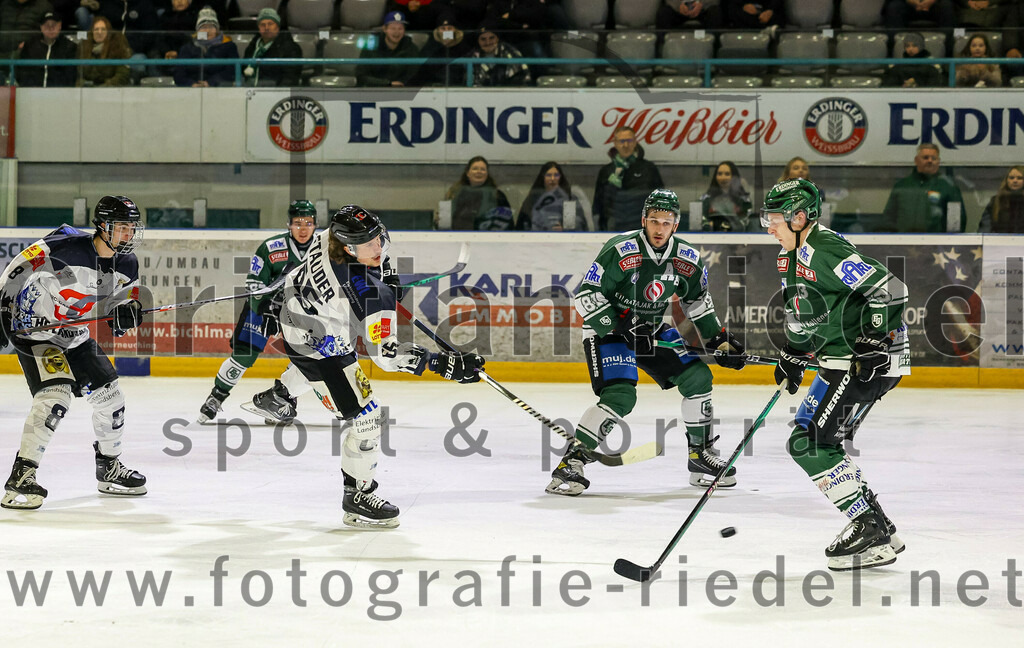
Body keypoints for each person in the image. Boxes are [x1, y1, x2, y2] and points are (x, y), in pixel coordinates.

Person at [251, 205, 484, 528]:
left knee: (328, 373)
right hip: (318, 343)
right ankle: (358, 495)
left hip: (295, 314)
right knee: (366, 417)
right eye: (370, 245)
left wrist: (385, 275)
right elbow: (387, 357)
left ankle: (280, 395)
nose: (379, 247)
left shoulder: (329, 237)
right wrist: (443, 364)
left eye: (379, 238)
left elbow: (309, 270)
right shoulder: (368, 296)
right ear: (348, 248)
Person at [546, 189, 746, 496]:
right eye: (654, 220)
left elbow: (697, 301)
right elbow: (586, 295)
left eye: (666, 222)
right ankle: (572, 462)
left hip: (650, 330)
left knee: (698, 377)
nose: (659, 228)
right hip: (609, 331)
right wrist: (619, 325)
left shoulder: (687, 258)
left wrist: (718, 339)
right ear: (644, 220)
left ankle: (699, 456)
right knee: (621, 396)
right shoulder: (621, 250)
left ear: (675, 225)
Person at [760, 178, 910, 571]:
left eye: (775, 219)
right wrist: (793, 351)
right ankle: (877, 525)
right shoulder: (787, 256)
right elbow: (803, 311)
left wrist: (875, 339)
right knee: (819, 442)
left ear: (799, 217)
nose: (769, 227)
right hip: (839, 360)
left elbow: (890, 290)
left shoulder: (825, 248)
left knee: (809, 444)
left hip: (866, 362)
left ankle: (868, 528)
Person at [0, 196, 148, 510]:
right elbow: (16, 269)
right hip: (34, 330)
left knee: (111, 398)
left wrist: (128, 311)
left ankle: (109, 467)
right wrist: (1, 312)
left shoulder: (127, 263)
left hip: (72, 334)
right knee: (56, 396)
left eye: (132, 227)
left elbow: (126, 299)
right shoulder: (66, 247)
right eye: (122, 227)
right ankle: (21, 477)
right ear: (104, 227)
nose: (129, 233)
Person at [198, 200, 319, 424]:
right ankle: (216, 397)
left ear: (315, 225)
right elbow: (254, 283)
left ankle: (283, 402)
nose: (303, 228)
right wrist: (265, 307)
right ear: (289, 224)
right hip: (264, 308)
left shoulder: (324, 250)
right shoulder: (272, 247)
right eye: (298, 223)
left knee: (306, 358)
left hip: (303, 316)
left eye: (308, 223)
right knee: (244, 354)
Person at [593, 126, 664, 232]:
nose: (625, 145)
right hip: (613, 228)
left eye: (629, 141)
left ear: (635, 142)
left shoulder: (649, 168)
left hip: (642, 228)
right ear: (615, 143)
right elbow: (598, 204)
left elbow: (660, 202)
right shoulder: (607, 171)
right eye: (621, 141)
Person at [882, 143, 967, 232]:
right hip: (904, 243)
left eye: (934, 158)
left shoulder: (949, 187)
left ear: (938, 162)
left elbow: (956, 224)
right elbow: (889, 218)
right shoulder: (902, 186)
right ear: (916, 160)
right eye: (925, 157)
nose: (930, 161)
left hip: (935, 244)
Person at [443, 156, 514, 230]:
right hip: (457, 237)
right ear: (467, 173)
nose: (479, 172)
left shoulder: (497, 196)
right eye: (475, 169)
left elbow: (508, 223)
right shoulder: (454, 193)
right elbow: (443, 221)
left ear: (487, 173)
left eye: (482, 169)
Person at [173, 6, 238, 87]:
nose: (207, 31)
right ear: (197, 30)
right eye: (203, 27)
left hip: (219, 89)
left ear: (217, 30)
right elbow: (178, 74)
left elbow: (232, 71)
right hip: (190, 91)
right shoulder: (187, 48)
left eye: (211, 27)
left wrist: (211, 82)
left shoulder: (229, 46)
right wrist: (191, 84)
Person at [517, 161, 591, 231]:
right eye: (549, 175)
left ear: (560, 177)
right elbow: (523, 224)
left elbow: (573, 225)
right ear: (543, 177)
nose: (552, 179)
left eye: (556, 175)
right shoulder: (533, 198)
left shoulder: (568, 198)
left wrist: (563, 228)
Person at [242, 7, 302, 87]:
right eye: (262, 25)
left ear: (277, 27)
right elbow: (242, 70)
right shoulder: (252, 47)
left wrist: (275, 95)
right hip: (250, 93)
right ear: (259, 28)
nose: (266, 28)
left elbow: (290, 78)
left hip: (276, 94)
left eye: (270, 24)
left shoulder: (291, 48)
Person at [357, 10, 420, 87]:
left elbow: (414, 75)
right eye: (393, 28)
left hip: (401, 92)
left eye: (400, 28)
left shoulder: (410, 47)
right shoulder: (371, 46)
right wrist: (387, 84)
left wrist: (401, 83)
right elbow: (361, 75)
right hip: (374, 91)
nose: (396, 32)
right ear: (384, 29)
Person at [411, 12, 475, 87]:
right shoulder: (431, 48)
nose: (446, 31)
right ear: (437, 31)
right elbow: (420, 75)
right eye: (443, 28)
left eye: (450, 28)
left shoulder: (465, 50)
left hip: (458, 90)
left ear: (455, 30)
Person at [16, 11, 77, 87]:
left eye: (53, 25)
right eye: (46, 25)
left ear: (60, 26)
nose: (50, 28)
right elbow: (21, 72)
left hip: (60, 93)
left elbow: (71, 75)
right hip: (32, 93)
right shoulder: (30, 45)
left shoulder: (69, 46)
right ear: (41, 27)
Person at [78, 15, 132, 87]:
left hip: (112, 90)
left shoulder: (117, 45)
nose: (99, 32)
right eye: (96, 29)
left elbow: (122, 75)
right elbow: (79, 75)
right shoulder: (84, 46)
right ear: (92, 32)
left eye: (103, 29)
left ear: (108, 32)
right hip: (88, 91)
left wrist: (103, 87)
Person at [701, 161, 753, 231]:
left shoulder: (743, 199)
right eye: (720, 174)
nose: (723, 177)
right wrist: (709, 226)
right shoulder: (707, 198)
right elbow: (700, 217)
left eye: (727, 174)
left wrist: (733, 227)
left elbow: (746, 219)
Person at [979, 165, 1024, 232]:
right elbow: (985, 227)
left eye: (1019, 178)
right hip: (1000, 240)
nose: (1015, 181)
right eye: (1011, 178)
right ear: (1006, 180)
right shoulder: (997, 200)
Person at [656, 0, 723, 31]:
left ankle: (714, 46)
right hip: (679, 8)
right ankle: (664, 47)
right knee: (664, 13)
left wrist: (702, 4)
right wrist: (678, 5)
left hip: (703, 9)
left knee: (715, 12)